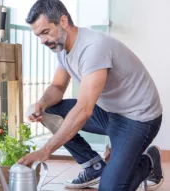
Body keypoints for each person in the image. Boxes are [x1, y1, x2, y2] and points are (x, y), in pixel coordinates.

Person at [17, 0, 164, 190]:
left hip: (137, 119)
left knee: (111, 188)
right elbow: (58, 85)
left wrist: (45, 151)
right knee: (49, 110)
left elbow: (84, 110)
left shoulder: (92, 47)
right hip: (109, 113)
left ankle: (148, 163)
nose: (43, 41)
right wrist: (41, 103)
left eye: (45, 32)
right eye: (38, 35)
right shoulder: (63, 47)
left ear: (63, 21)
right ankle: (93, 166)